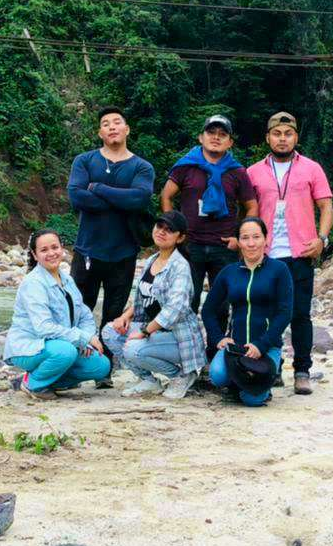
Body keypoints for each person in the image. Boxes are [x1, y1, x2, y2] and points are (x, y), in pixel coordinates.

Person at [67, 106, 155, 387]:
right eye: (106, 124)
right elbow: (77, 197)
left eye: (117, 122)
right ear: (100, 132)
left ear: (127, 129)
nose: (112, 127)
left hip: (123, 252)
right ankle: (74, 365)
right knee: (78, 309)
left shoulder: (141, 166)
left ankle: (104, 370)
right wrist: (119, 200)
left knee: (114, 314)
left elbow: (139, 199)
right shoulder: (84, 161)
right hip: (88, 250)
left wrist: (99, 189)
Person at [247, 112, 333, 395]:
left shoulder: (311, 168)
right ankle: (272, 368)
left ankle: (302, 371)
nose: (282, 139)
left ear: (296, 137)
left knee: (300, 315)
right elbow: (248, 212)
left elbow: (326, 207)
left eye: (288, 134)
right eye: (277, 134)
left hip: (301, 254)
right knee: (267, 316)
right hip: (266, 255)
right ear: (268, 138)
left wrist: (321, 239)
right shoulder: (253, 172)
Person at [161, 115, 258, 358]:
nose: (216, 137)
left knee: (222, 303)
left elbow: (252, 206)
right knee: (186, 302)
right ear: (201, 137)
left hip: (223, 247)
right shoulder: (186, 166)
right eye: (211, 132)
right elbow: (166, 196)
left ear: (229, 142)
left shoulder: (237, 172)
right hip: (189, 246)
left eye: (222, 134)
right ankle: (187, 355)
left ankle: (216, 355)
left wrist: (240, 236)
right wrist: (174, 230)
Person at [101, 211, 206, 399]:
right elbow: (144, 297)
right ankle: (148, 380)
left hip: (178, 336)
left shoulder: (180, 266)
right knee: (110, 332)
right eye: (159, 226)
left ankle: (181, 376)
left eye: (169, 230)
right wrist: (125, 316)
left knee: (133, 348)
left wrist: (145, 331)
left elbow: (175, 309)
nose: (162, 232)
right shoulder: (151, 260)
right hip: (153, 331)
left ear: (180, 237)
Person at [3, 230, 111, 400]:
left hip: (60, 344)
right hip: (29, 347)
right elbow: (43, 328)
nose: (51, 253)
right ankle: (33, 383)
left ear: (62, 249)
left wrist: (88, 338)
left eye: (55, 247)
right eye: (44, 250)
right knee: (65, 351)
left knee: (101, 365)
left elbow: (85, 315)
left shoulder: (67, 279)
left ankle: (51, 381)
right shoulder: (34, 283)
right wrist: (81, 337)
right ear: (35, 254)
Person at [202, 217, 293, 406]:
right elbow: (208, 310)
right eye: (245, 238)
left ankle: (265, 377)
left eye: (256, 237)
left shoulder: (279, 269)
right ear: (238, 242)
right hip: (236, 346)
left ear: (266, 239)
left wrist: (262, 345)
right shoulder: (229, 272)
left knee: (252, 400)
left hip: (267, 347)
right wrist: (219, 337)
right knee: (217, 375)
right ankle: (239, 382)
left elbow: (285, 312)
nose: (251, 243)